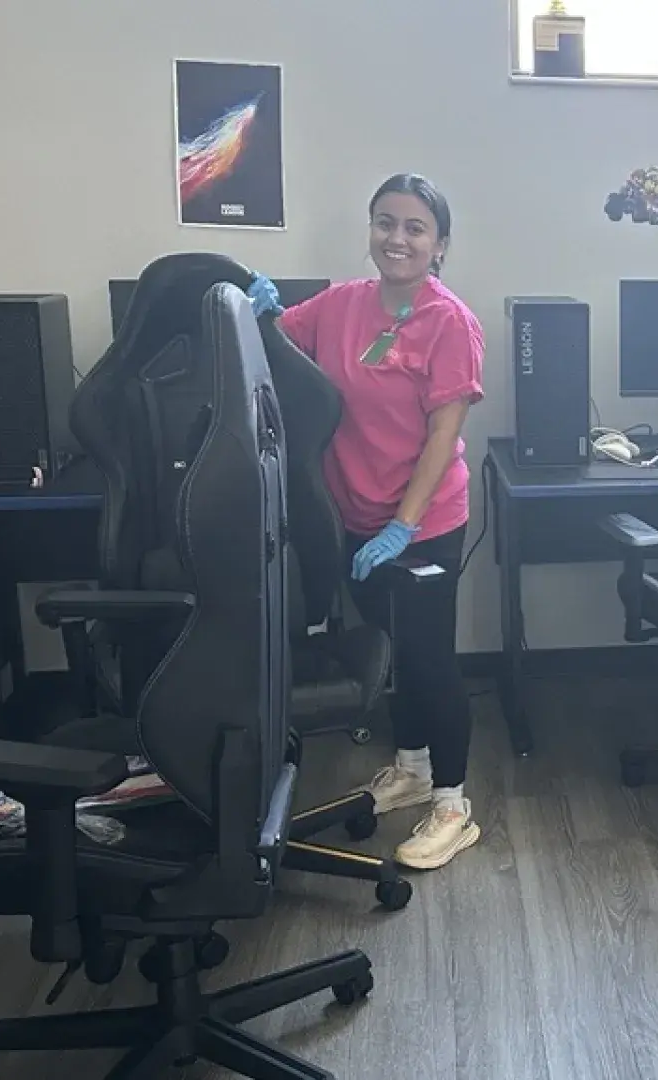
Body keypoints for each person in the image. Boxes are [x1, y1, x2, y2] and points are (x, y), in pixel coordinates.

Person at [250, 173, 485, 871]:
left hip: (422, 522)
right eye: (385, 222)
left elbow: (444, 434)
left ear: (440, 244)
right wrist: (258, 312)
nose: (397, 239)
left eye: (415, 228)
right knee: (393, 650)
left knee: (430, 659)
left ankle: (452, 803)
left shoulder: (449, 322)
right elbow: (278, 350)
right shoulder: (342, 306)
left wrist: (403, 526)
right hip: (354, 514)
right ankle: (410, 767)